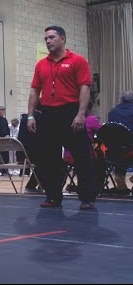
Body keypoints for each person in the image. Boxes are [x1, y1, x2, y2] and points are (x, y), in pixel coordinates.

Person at [27, 25, 98, 210]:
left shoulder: (78, 61)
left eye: (51, 37)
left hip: (71, 112)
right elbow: (35, 90)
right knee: (48, 157)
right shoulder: (41, 64)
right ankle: (53, 196)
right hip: (49, 114)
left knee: (81, 157)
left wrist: (81, 114)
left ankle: (87, 198)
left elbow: (85, 88)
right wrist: (30, 116)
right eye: (46, 39)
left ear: (63, 39)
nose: (48, 41)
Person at [107, 90, 133, 194]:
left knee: (121, 148)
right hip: (129, 150)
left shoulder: (112, 112)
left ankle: (120, 180)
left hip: (113, 152)